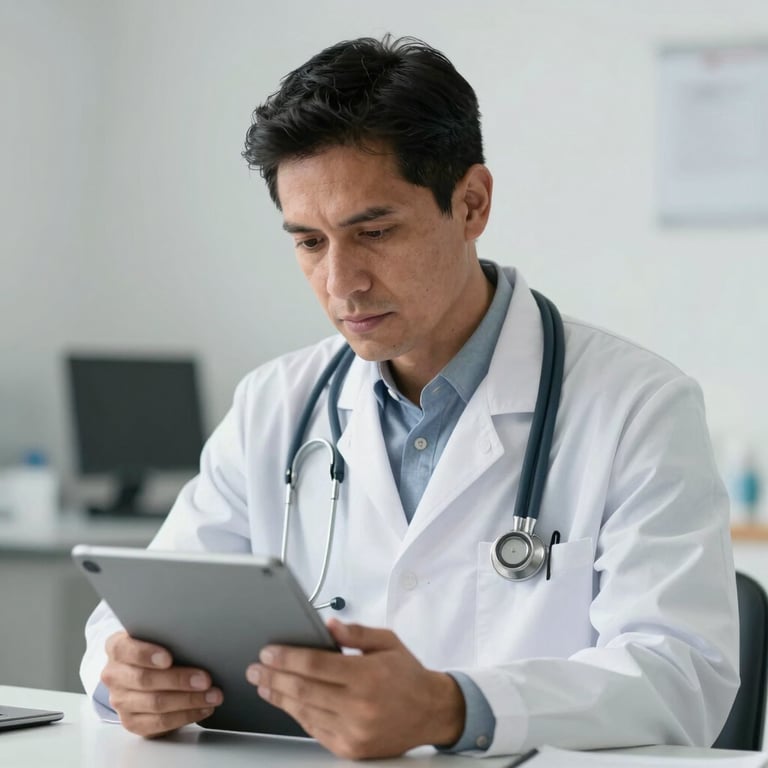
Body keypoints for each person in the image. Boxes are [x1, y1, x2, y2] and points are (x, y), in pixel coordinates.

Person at [80, 35, 739, 759]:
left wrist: (451, 708)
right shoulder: (275, 404)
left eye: (375, 231)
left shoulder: (638, 407)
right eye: (308, 242)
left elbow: (682, 678)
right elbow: (134, 615)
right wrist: (129, 677)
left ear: (472, 203)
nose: (341, 283)